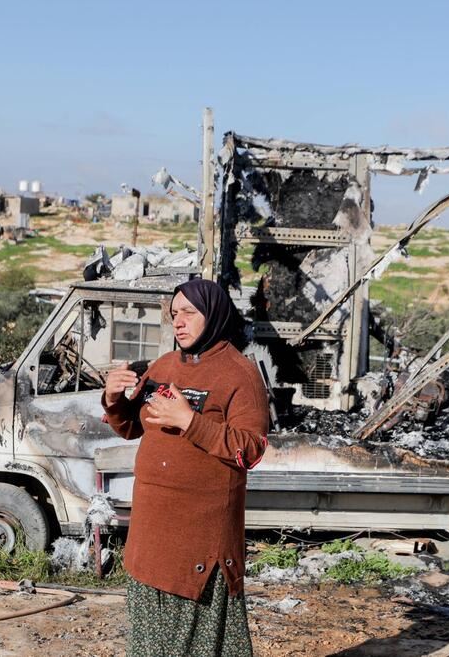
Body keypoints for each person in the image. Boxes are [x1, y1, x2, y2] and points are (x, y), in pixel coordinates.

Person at [102, 278, 269, 657]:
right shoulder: (163, 366)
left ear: (214, 314)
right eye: (174, 313)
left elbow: (251, 450)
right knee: (149, 647)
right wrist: (113, 399)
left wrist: (190, 421)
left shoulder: (239, 374)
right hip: (150, 541)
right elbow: (131, 426)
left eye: (189, 313)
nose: (178, 321)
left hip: (198, 544)